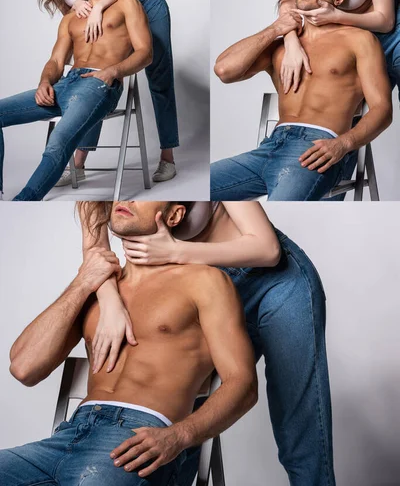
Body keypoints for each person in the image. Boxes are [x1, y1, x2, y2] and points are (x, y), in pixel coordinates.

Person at [0, 201, 257, 486]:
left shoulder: (205, 281)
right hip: (67, 436)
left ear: (174, 215)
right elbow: (24, 367)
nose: (126, 199)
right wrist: (84, 280)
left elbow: (242, 383)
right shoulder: (97, 290)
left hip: (137, 440)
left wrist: (179, 436)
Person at [80, 200, 336, 486]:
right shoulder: (109, 192)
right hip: (201, 283)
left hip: (272, 279)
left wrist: (176, 251)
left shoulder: (207, 170)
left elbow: (268, 249)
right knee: (184, 409)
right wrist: (110, 301)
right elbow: (96, 254)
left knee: (299, 423)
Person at [211, 0, 392, 201]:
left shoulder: (359, 40)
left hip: (315, 150)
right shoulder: (282, 43)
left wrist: (343, 144)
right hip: (268, 148)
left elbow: (382, 109)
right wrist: (276, 29)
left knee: (280, 209)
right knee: (196, 192)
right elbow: (224, 70)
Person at [33, 0, 179, 184]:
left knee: (159, 75)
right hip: (103, 22)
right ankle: (78, 163)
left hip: (142, 1)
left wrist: (98, 7)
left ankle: (167, 157)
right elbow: (71, 17)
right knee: (90, 74)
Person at [0, 0, 152, 201]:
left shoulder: (127, 5)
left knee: (57, 144)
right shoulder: (71, 18)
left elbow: (145, 54)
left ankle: (23, 202)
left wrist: (112, 72)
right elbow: (57, 62)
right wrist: (44, 82)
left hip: (98, 84)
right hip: (65, 84)